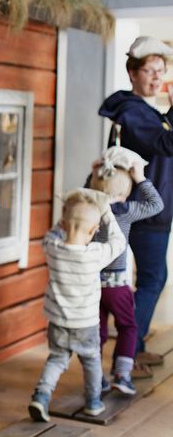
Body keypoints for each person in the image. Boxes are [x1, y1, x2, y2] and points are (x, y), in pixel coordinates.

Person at [99, 36, 173, 372]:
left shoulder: (144, 111)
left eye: (161, 71)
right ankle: (126, 355)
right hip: (144, 211)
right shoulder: (132, 112)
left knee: (153, 277)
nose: (157, 78)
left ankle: (134, 346)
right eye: (149, 70)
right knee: (152, 279)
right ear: (132, 72)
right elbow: (165, 143)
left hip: (152, 208)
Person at [28, 189, 125, 422]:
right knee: (91, 360)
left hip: (58, 321)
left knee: (57, 358)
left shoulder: (53, 248)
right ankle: (93, 402)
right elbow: (119, 242)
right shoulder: (95, 254)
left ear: (62, 223)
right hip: (85, 323)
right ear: (93, 230)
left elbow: (52, 233)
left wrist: (64, 217)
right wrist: (106, 212)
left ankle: (41, 397)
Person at [89, 147, 163, 394]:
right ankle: (121, 374)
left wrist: (92, 176)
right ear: (126, 188)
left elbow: (81, 195)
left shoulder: (89, 208)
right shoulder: (126, 211)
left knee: (97, 331)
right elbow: (156, 204)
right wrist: (140, 178)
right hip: (118, 287)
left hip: (91, 285)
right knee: (128, 327)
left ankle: (96, 377)